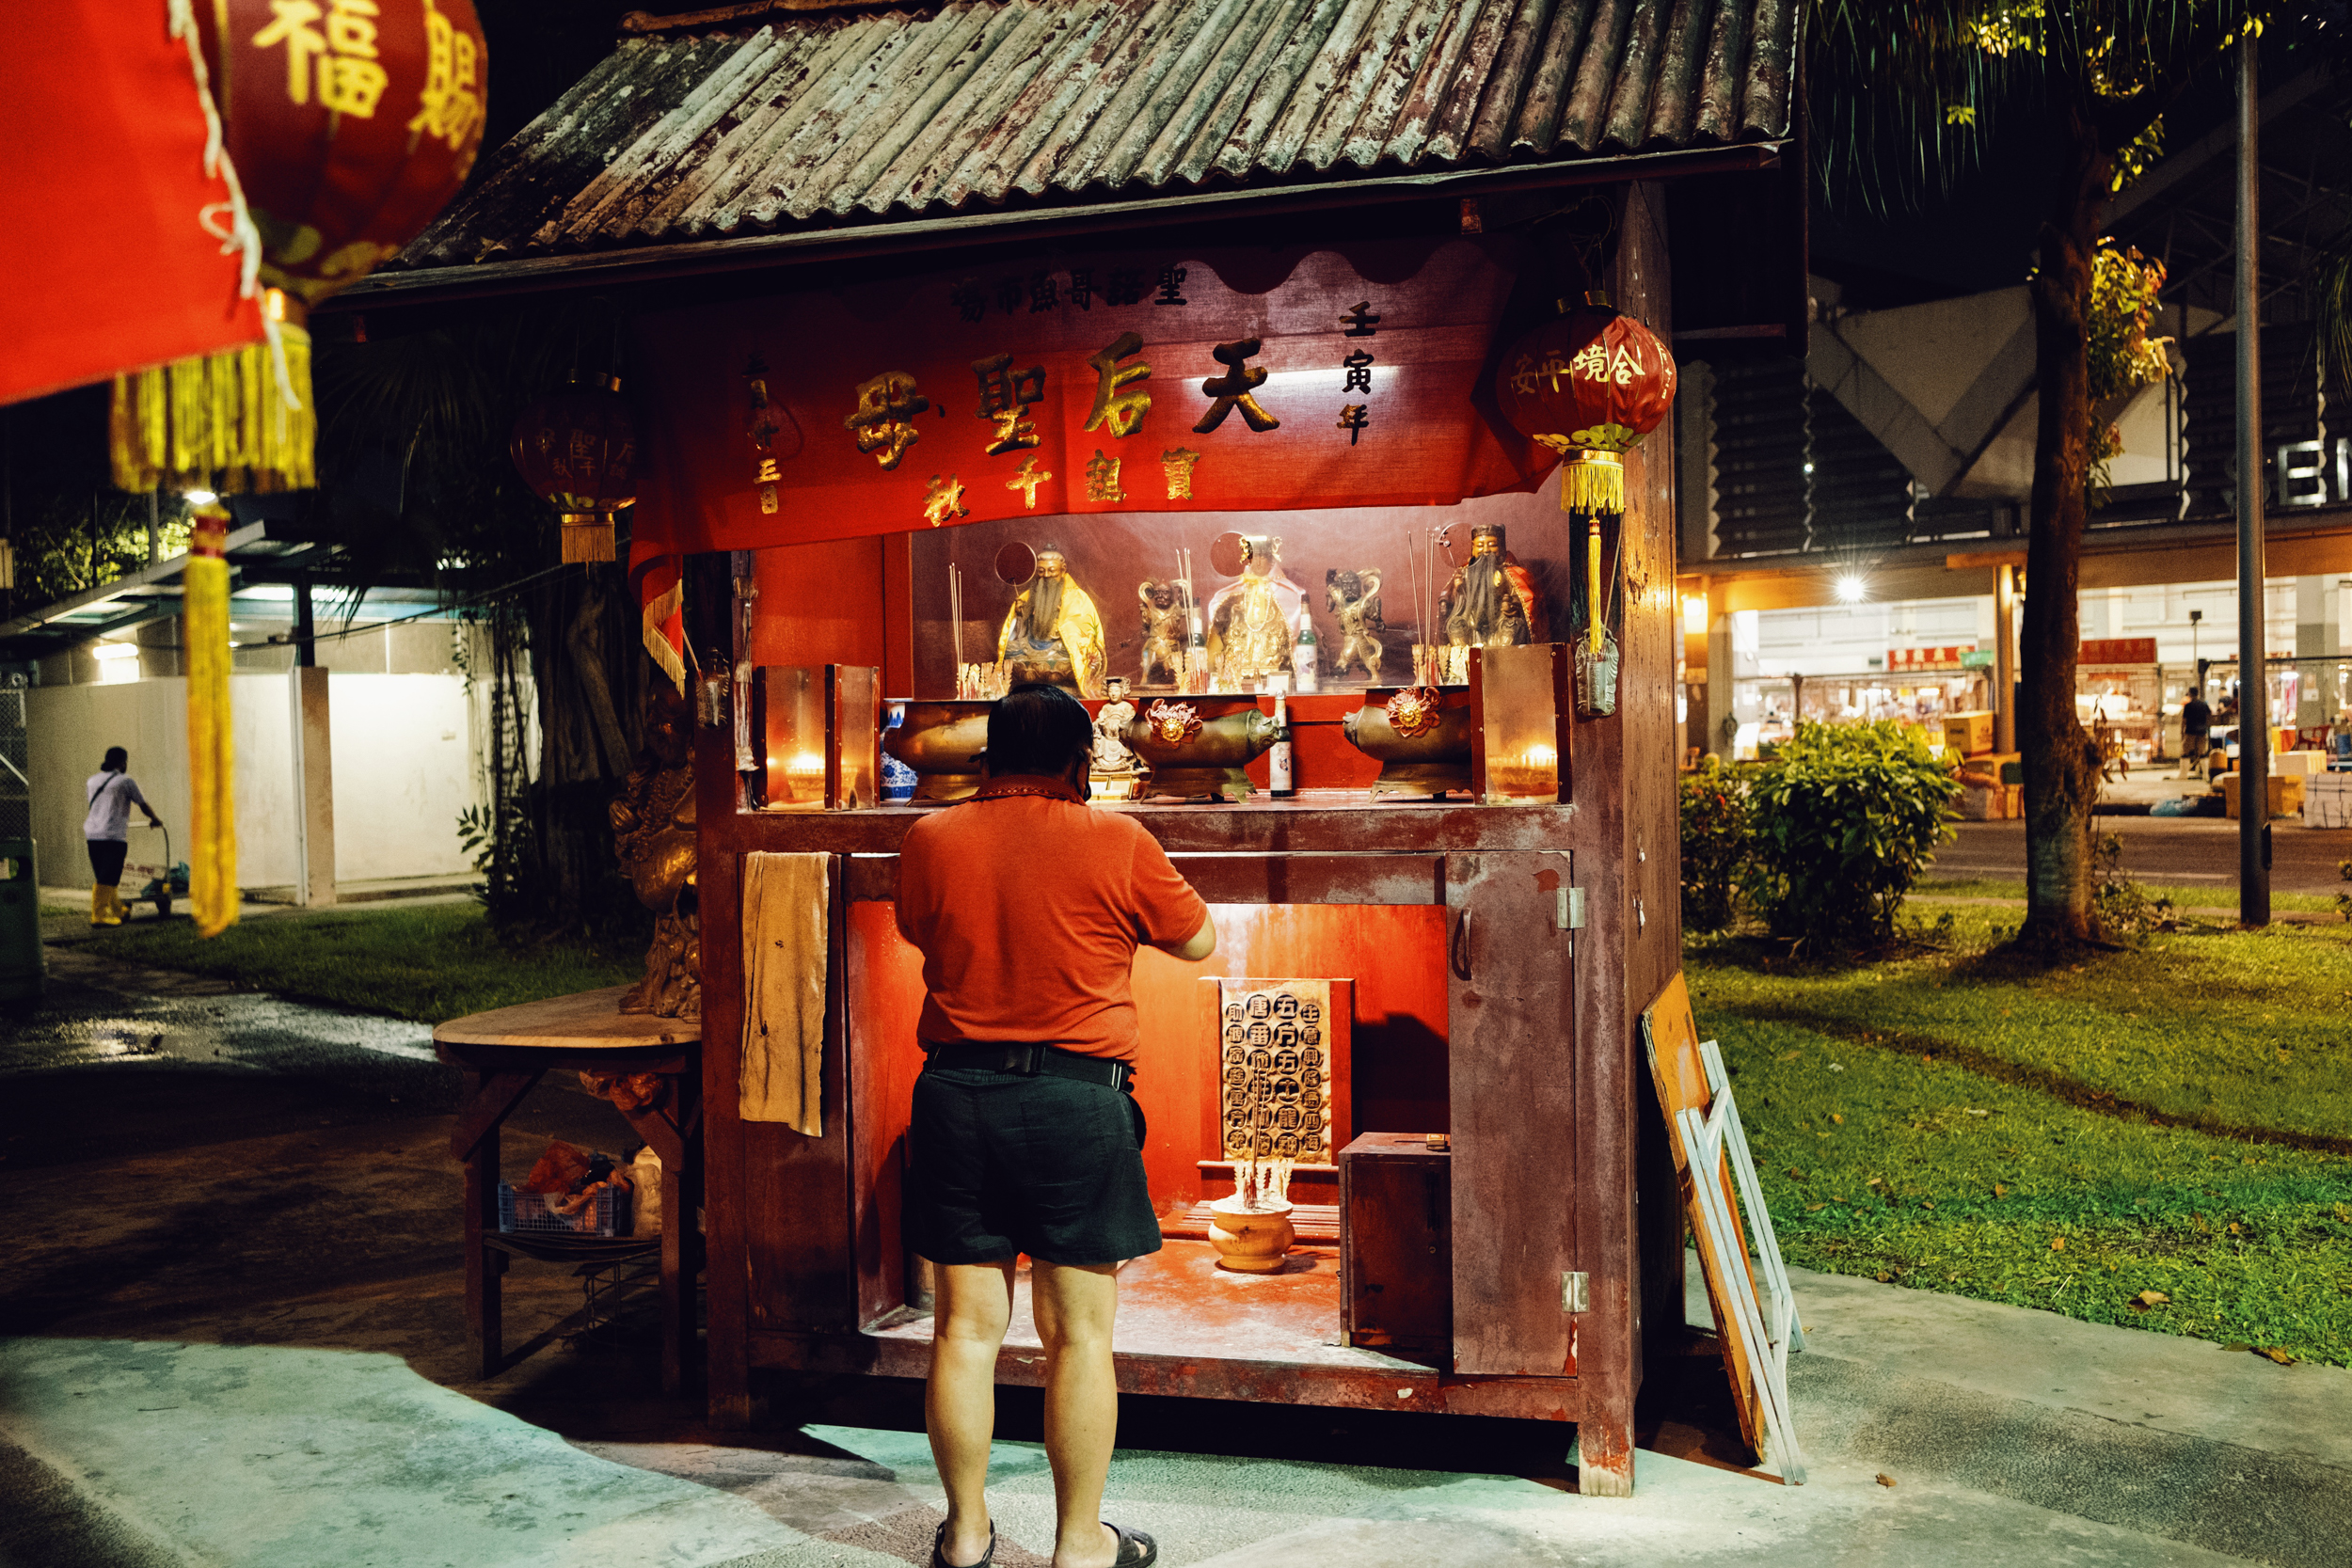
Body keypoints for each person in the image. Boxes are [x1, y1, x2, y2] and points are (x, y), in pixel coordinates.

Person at [896, 684, 1214, 1568]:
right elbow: (1197, 941)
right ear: (1083, 763)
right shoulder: (1117, 837)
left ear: (987, 757)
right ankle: (1080, 1544)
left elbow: (919, 928)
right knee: (1079, 1334)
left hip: (956, 1095)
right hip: (1079, 1101)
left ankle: (964, 1537)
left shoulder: (930, 837)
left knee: (964, 1331)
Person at [83, 746, 162, 926]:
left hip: (92, 834)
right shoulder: (125, 781)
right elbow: (142, 804)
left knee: (104, 875)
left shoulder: (92, 781)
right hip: (113, 835)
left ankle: (118, 909)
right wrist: (155, 819)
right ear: (123, 762)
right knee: (108, 877)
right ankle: (99, 915)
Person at [2177, 689, 2211, 780]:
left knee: (2185, 752)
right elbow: (2209, 717)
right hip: (2202, 731)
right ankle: (2205, 775)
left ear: (2190, 694)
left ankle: (2183, 775)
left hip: (2190, 730)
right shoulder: (2204, 705)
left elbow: (2184, 720)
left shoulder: (2188, 706)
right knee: (2202, 752)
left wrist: (2182, 732)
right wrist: (2206, 728)